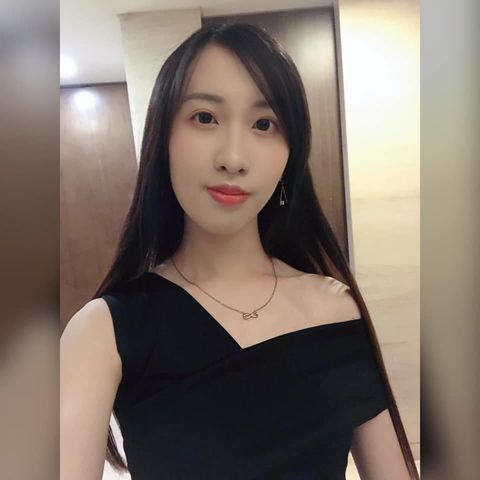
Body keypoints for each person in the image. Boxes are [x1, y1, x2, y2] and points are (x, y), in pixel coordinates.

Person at [60, 23, 418, 480]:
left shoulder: (334, 309)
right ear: (163, 138)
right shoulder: (104, 330)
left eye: (264, 124)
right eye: (205, 117)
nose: (233, 157)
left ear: (290, 153)